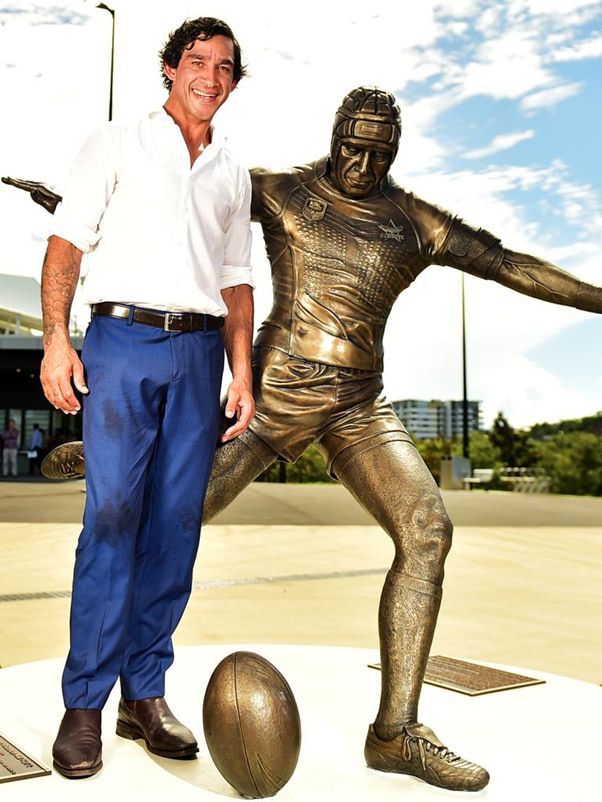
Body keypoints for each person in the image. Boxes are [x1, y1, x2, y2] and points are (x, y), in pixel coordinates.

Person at [12, 87, 602, 792]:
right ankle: (123, 513)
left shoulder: (415, 221)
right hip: (275, 393)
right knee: (175, 520)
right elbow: (178, 215)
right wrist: (72, 209)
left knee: (427, 530)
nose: (361, 161)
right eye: (353, 144)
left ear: (395, 150)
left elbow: (511, 263)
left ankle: (397, 733)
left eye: (378, 151)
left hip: (358, 403)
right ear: (335, 133)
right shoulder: (285, 191)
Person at [38, 17, 254, 779]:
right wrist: (57, 338)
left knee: (173, 529)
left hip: (200, 354)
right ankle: (84, 705)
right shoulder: (116, 143)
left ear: (233, 80)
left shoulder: (233, 171)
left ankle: (145, 695)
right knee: (112, 518)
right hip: (122, 342)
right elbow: (67, 242)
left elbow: (235, 282)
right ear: (170, 70)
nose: (210, 75)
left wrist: (243, 372)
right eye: (197, 61)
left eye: (224, 66)